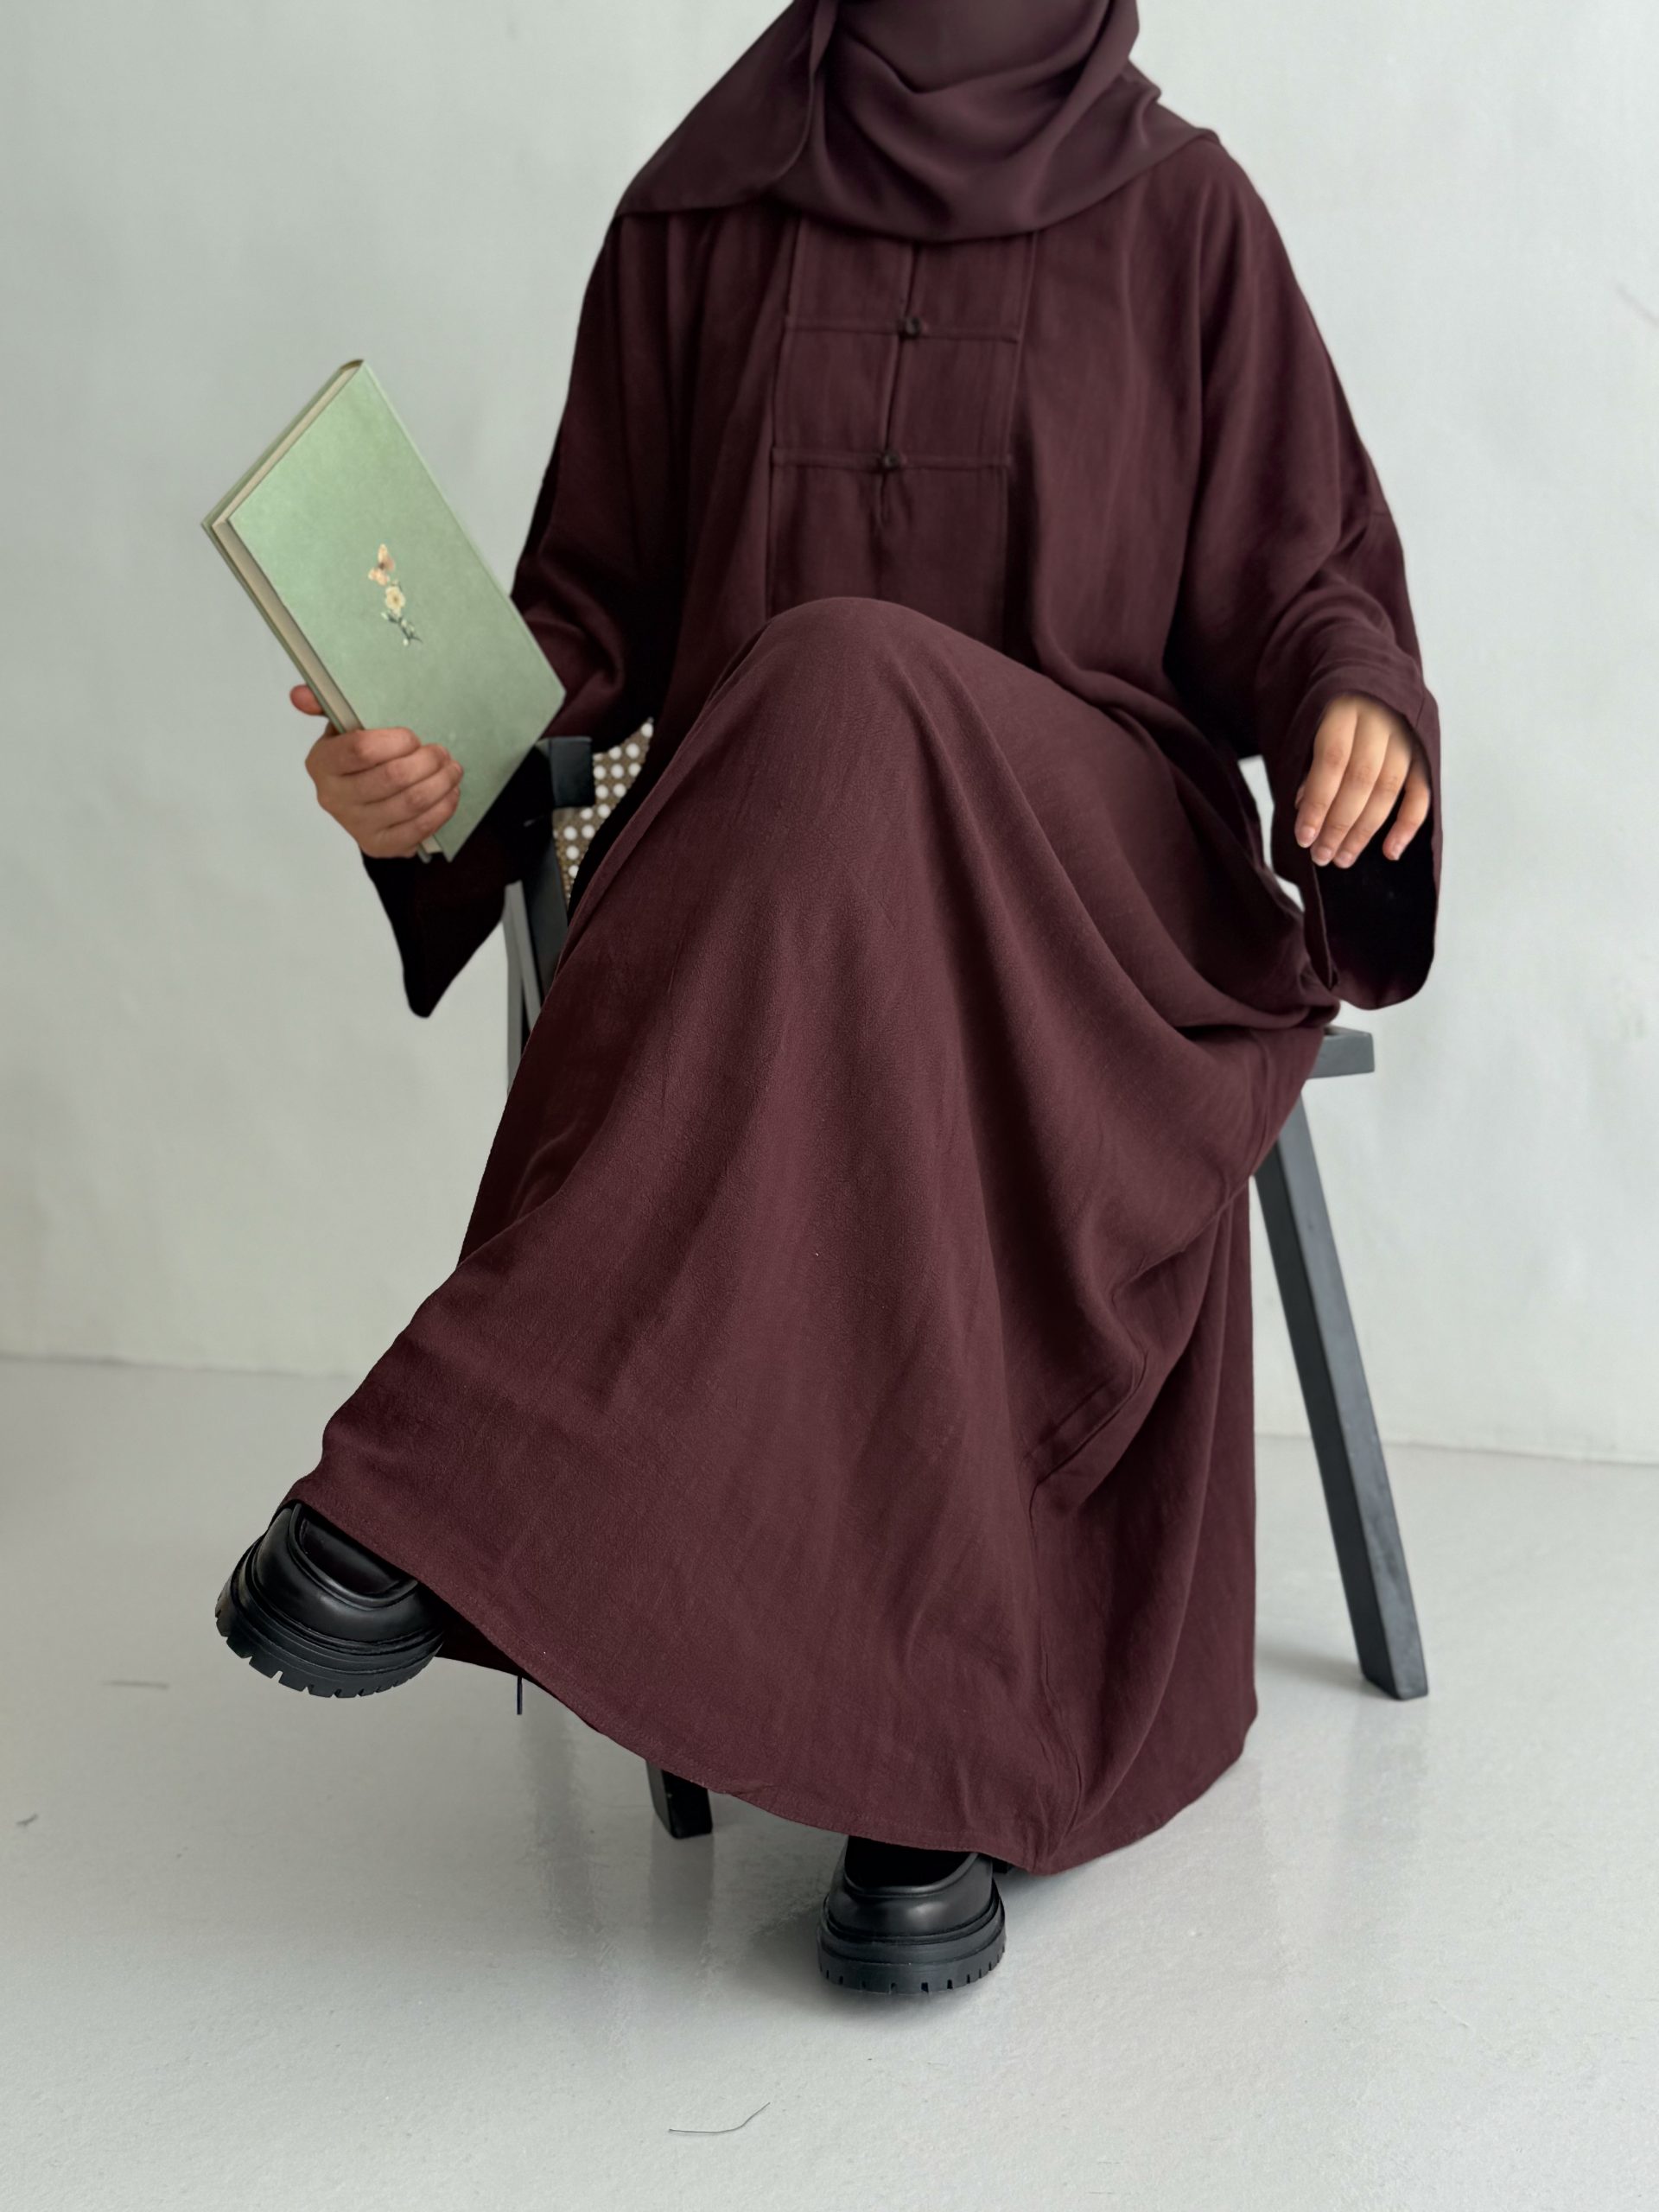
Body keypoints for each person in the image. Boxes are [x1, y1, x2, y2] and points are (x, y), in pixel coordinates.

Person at [215, 0, 1441, 1999]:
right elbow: (584, 616)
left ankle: (455, 1475)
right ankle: (911, 1772)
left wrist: (1358, 698)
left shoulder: (1185, 215)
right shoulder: (701, 214)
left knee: (843, 674)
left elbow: (1304, 577)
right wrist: (423, 768)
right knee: (828, 739)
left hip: (1091, 904)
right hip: (769, 904)